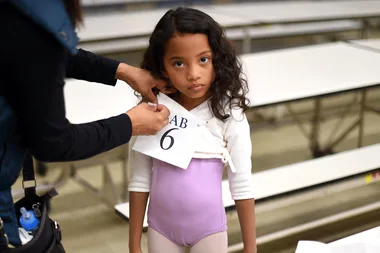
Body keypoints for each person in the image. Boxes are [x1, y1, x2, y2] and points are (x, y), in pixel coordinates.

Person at [0, 0, 170, 247]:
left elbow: (40, 55)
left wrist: (121, 71)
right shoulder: (33, 18)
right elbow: (52, 142)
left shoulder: (23, 16)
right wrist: (130, 124)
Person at [128, 7, 257, 253]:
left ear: (217, 59)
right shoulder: (151, 113)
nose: (193, 74)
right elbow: (140, 178)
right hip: (161, 229)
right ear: (162, 67)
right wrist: (134, 242)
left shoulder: (229, 113)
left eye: (203, 60)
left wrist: (251, 248)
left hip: (208, 231)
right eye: (178, 63)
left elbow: (242, 183)